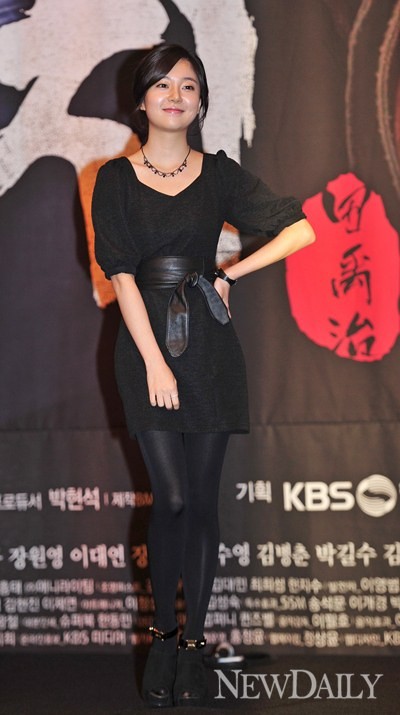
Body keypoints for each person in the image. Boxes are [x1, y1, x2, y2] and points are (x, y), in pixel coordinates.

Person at [92, 43, 315, 708]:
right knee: (171, 499)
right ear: (140, 99)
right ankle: (163, 636)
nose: (175, 95)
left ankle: (194, 644)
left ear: (202, 100)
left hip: (210, 347)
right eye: (162, 84)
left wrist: (229, 273)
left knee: (203, 502)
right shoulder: (113, 178)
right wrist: (155, 361)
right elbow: (121, 275)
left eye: (188, 85)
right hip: (145, 346)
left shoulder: (218, 173)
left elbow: (299, 231)